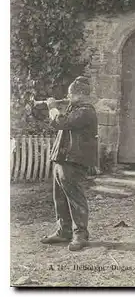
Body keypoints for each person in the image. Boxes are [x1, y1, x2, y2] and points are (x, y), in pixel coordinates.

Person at [40, 76, 97, 251]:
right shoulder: (76, 108)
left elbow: (61, 123)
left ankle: (81, 234)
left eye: (70, 94)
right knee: (60, 197)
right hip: (63, 158)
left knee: (75, 198)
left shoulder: (86, 110)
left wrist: (52, 107)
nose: (67, 96)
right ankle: (64, 231)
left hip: (74, 160)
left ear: (80, 94)